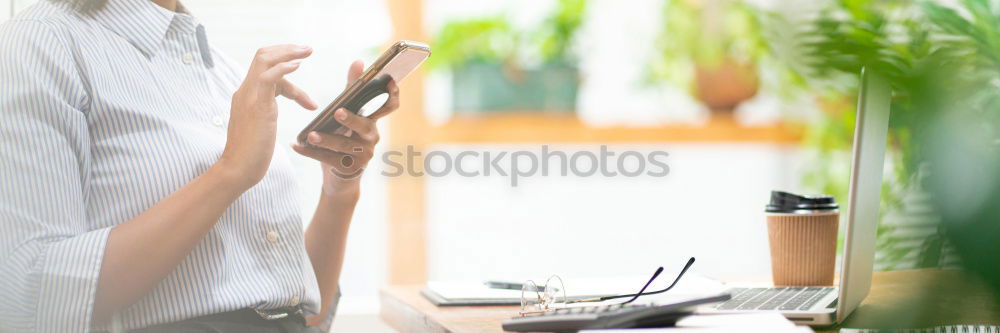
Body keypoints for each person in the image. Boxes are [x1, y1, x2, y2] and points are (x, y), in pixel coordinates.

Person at [0, 0, 398, 331]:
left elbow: (306, 313)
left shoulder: (218, 70)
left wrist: (340, 186)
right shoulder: (42, 40)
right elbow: (30, 300)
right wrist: (231, 172)